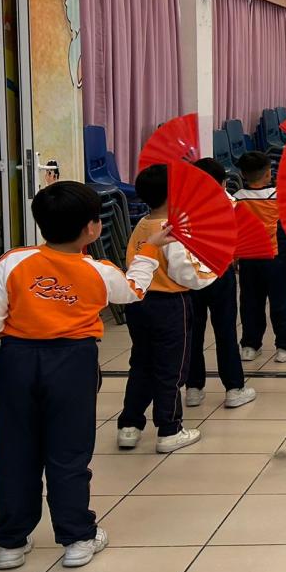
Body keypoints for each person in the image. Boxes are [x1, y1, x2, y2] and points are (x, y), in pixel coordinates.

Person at [0, 182, 170, 570]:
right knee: (68, 450)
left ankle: (10, 542)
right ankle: (77, 537)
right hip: (72, 362)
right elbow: (134, 290)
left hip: (16, 361)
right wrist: (150, 248)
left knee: (13, 450)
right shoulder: (98, 271)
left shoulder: (12, 262)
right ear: (92, 228)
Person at [116, 165, 217, 454]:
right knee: (170, 368)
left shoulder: (142, 224)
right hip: (170, 305)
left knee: (141, 363)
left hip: (138, 304)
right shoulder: (172, 231)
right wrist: (211, 272)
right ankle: (170, 428)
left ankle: (129, 426)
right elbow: (185, 273)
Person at [185, 158, 257, 410]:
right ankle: (234, 389)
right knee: (226, 331)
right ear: (224, 182)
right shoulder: (232, 205)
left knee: (193, 332)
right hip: (221, 273)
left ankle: (193, 389)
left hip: (191, 276)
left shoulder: (182, 207)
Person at [234, 151, 286, 364]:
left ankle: (249, 345)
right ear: (268, 174)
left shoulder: (237, 198)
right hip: (275, 256)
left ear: (243, 175)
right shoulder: (278, 195)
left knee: (250, 302)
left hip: (247, 258)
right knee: (282, 301)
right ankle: (285, 346)